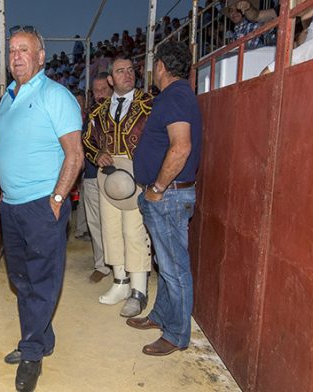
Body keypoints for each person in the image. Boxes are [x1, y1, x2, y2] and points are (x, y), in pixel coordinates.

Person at [0, 25, 83, 392]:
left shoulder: (55, 95)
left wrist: (58, 199)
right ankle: (42, 336)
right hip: (11, 206)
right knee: (21, 280)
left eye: (24, 50)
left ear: (41, 56)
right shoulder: (7, 96)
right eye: (12, 50)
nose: (16, 56)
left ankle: (31, 352)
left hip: (42, 205)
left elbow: (75, 155)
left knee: (42, 280)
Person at [128, 41, 202, 356]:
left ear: (160, 66)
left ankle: (176, 335)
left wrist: (156, 188)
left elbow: (181, 147)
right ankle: (161, 316)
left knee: (174, 268)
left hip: (168, 196)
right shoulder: (176, 96)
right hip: (166, 195)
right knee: (166, 263)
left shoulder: (175, 97)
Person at [83, 56, 154, 317]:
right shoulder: (99, 111)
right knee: (110, 229)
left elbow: (157, 138)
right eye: (120, 71)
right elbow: (88, 140)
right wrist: (97, 154)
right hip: (107, 175)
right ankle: (120, 282)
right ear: (111, 79)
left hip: (137, 174)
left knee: (134, 231)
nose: (127, 74)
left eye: (130, 70)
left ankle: (138, 290)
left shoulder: (148, 104)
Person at [80, 73, 113, 282]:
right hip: (92, 174)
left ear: (111, 89)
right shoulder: (91, 114)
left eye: (103, 89)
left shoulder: (123, 111)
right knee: (95, 222)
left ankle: (120, 265)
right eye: (96, 91)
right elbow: (84, 142)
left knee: (116, 222)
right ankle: (102, 265)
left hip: (117, 175)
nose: (99, 94)